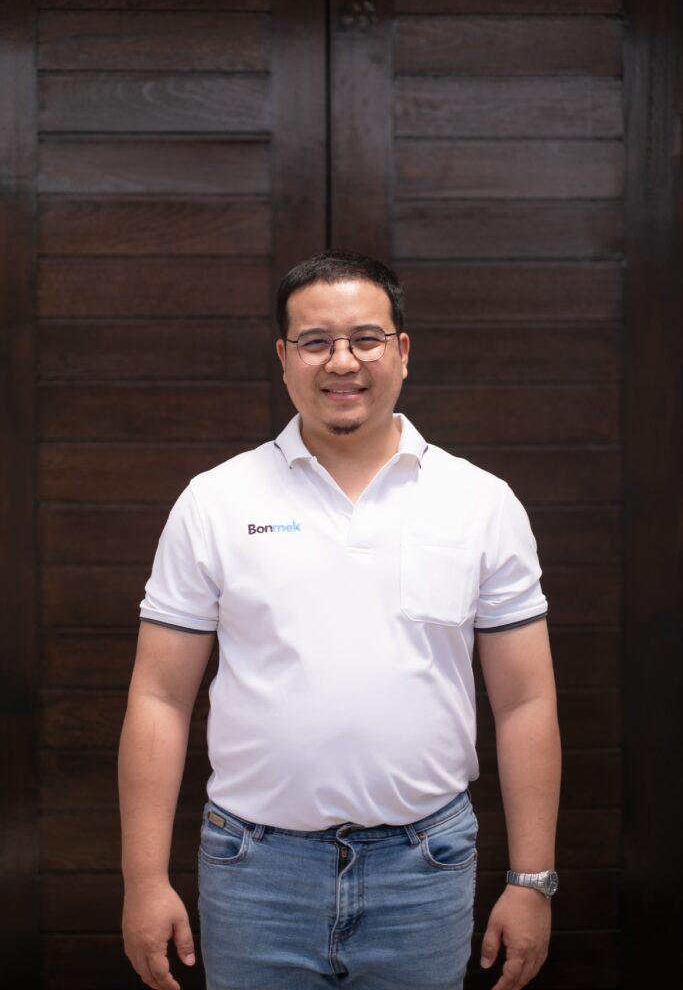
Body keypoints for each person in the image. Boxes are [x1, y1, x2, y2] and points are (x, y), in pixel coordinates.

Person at [119, 250, 561, 990]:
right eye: (316, 342)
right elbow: (158, 697)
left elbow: (526, 701)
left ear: (402, 351)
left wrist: (532, 880)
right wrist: (143, 881)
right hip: (253, 871)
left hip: (425, 868)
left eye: (365, 339)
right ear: (284, 359)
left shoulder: (480, 502)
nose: (342, 361)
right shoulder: (215, 501)